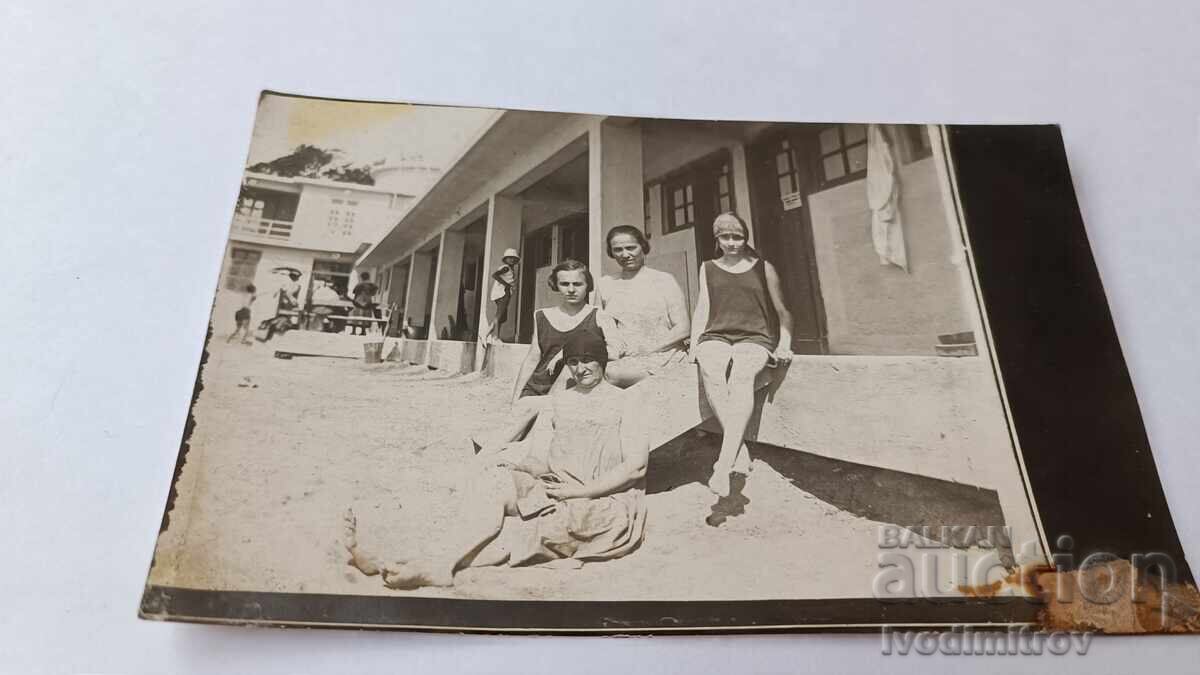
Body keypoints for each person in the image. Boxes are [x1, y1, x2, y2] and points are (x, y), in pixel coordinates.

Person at [344, 329, 648, 589]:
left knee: (519, 534)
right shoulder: (560, 401)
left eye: (587, 360)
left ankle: (424, 564)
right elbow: (540, 459)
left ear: (602, 360)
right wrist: (513, 466)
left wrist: (578, 491)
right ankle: (407, 558)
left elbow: (636, 467)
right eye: (572, 361)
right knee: (492, 483)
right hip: (557, 487)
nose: (580, 369)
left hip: (603, 502)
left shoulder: (625, 401)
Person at [690, 212, 794, 498]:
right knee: (711, 370)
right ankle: (739, 450)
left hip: (755, 336)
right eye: (725, 237)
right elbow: (703, 307)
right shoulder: (708, 267)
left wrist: (784, 343)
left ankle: (723, 466)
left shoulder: (763, 268)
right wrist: (694, 345)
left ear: (746, 238)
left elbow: (783, 312)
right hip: (717, 334)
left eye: (738, 237)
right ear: (717, 239)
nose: (732, 243)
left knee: (741, 377)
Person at [473, 259, 621, 452]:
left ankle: (491, 451)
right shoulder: (541, 315)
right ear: (556, 285)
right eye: (564, 284)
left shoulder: (599, 316)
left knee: (533, 426)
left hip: (574, 388)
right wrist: (516, 397)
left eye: (577, 284)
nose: (571, 289)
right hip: (539, 385)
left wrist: (568, 352)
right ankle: (491, 452)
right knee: (521, 413)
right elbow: (533, 358)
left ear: (588, 286)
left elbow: (616, 351)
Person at [596, 225, 690, 387]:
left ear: (643, 247)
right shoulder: (605, 284)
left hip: (662, 353)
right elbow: (600, 325)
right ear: (611, 252)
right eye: (618, 250)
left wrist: (647, 348)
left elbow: (683, 328)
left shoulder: (663, 280)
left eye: (631, 248)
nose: (625, 254)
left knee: (613, 376)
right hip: (622, 357)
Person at [484, 248, 520, 344]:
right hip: (503, 293)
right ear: (506, 259)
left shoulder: (510, 269)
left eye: (513, 258)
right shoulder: (506, 268)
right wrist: (507, 285)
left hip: (505, 293)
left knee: (502, 316)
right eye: (509, 258)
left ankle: (496, 337)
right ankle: (486, 334)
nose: (511, 260)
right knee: (499, 315)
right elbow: (495, 275)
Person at [350, 271, 379, 336]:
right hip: (368, 300)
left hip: (359, 300)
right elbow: (374, 293)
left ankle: (354, 331)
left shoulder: (359, 284)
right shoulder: (372, 284)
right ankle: (363, 331)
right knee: (365, 316)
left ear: (362, 277)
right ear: (368, 277)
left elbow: (355, 293)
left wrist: (355, 301)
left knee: (356, 315)